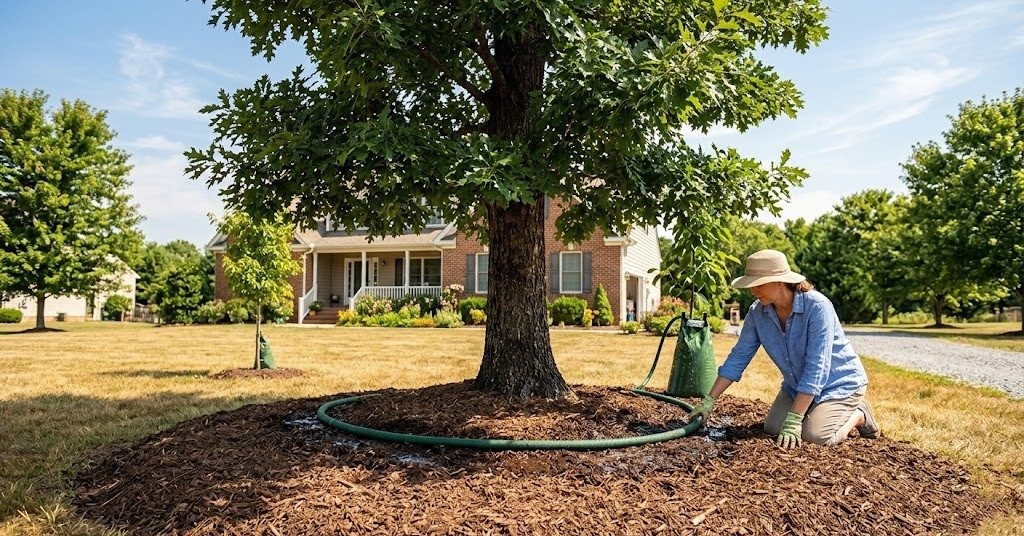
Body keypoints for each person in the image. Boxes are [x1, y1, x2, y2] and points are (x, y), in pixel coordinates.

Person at [685, 249, 879, 448]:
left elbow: (817, 366)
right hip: (796, 386)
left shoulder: (817, 307)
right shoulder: (757, 312)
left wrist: (795, 418)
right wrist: (710, 400)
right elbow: (739, 357)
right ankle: (813, 408)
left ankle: (859, 414)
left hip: (838, 384)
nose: (753, 290)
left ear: (780, 281)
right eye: (751, 285)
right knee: (773, 428)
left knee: (815, 436)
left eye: (758, 284)